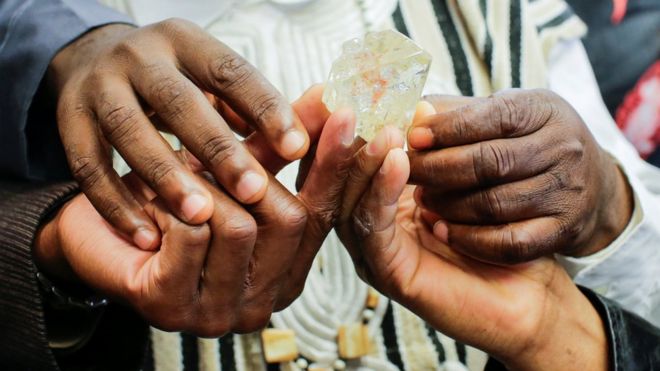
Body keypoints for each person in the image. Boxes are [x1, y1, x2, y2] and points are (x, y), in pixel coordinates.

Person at [1, 0, 659, 369]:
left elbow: (643, 290)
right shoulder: (57, 37)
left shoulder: (504, 15)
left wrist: (607, 205)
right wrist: (53, 265)